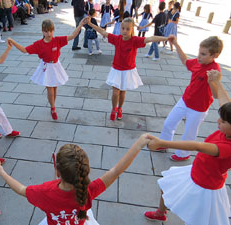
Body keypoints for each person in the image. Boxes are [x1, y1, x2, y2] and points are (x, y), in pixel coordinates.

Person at [0, 131, 150, 225]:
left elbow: (20, 189)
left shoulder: (43, 192)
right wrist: (138, 145)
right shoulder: (89, 190)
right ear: (85, 171)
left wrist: (1, 172)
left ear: (57, 171)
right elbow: (116, 171)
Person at [144, 91, 231, 224]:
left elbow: (198, 146)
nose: (218, 121)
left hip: (206, 186)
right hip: (196, 172)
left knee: (195, 218)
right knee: (166, 185)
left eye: (223, 121)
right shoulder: (226, 130)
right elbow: (225, 101)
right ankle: (160, 213)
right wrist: (216, 81)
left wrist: (163, 143)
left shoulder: (228, 147)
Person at [88, 17, 170, 121]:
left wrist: (166, 38)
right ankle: (114, 109)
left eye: (127, 29)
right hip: (117, 70)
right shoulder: (117, 39)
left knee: (122, 92)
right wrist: (90, 24)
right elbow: (103, 32)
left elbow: (150, 38)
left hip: (128, 71)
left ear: (132, 30)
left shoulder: (135, 40)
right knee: (115, 93)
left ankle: (120, 108)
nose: (124, 31)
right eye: (123, 28)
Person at [158, 35, 223, 161]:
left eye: (203, 54)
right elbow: (185, 61)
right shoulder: (198, 63)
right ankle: (164, 143)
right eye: (199, 52)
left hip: (199, 108)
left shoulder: (215, 71)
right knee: (168, 123)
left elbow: (215, 95)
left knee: (189, 133)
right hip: (185, 100)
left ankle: (183, 154)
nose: (199, 56)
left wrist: (211, 81)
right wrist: (175, 44)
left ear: (214, 55)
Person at [8, 19, 87, 120]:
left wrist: (80, 25)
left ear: (53, 30)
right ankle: (53, 108)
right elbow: (24, 50)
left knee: (55, 89)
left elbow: (72, 36)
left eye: (51, 31)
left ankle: (52, 104)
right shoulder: (39, 44)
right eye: (46, 31)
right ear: (42, 31)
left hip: (56, 66)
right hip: (46, 67)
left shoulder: (57, 40)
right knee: (50, 90)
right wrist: (13, 42)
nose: (49, 33)